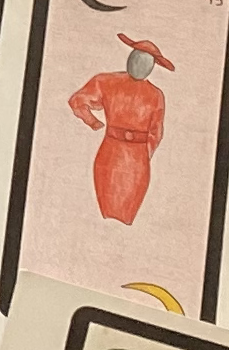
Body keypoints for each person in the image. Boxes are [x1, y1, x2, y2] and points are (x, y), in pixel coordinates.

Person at [68, 35, 173, 226]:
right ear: (129, 59)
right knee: (106, 211)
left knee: (127, 214)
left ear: (152, 67)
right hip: (110, 154)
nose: (139, 65)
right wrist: (92, 121)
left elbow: (156, 132)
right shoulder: (107, 81)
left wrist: (143, 156)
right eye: (135, 58)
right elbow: (77, 100)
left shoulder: (156, 95)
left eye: (146, 62)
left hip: (137, 162)